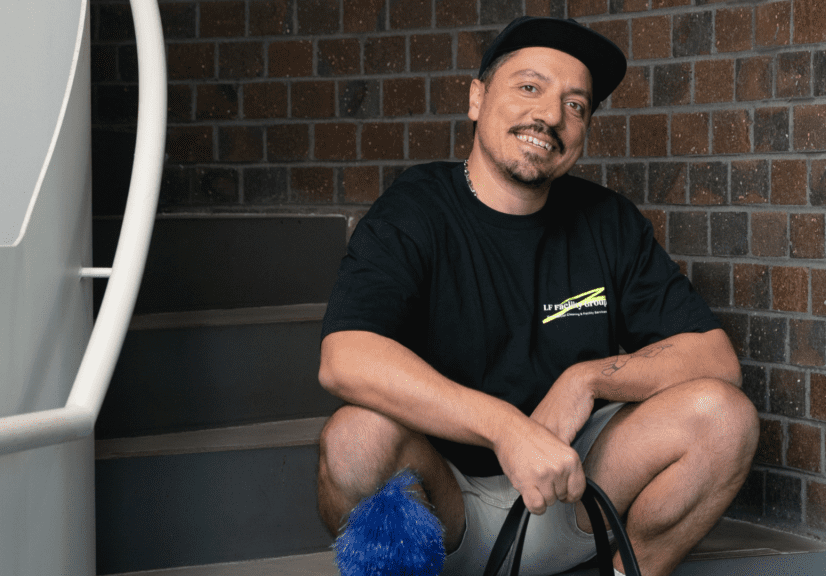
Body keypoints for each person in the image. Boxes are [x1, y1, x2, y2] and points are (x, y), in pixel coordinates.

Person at [316, 16, 759, 576]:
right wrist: (507, 428)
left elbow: (715, 359)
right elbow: (345, 357)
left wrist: (588, 380)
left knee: (724, 418)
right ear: (477, 99)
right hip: (443, 509)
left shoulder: (606, 221)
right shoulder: (415, 208)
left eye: (576, 105)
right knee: (356, 438)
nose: (550, 115)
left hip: (570, 495)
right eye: (530, 87)